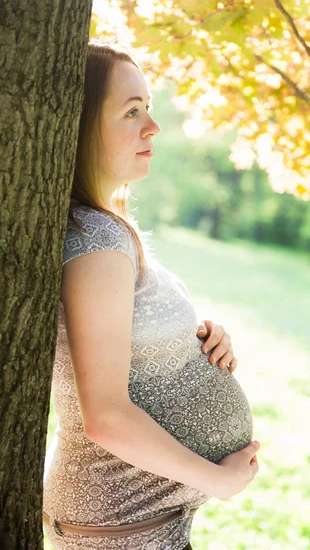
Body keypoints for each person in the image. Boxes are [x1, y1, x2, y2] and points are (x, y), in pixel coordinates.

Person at [42, 41, 260, 550]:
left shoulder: (103, 229)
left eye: (150, 109)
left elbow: (122, 336)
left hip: (142, 522)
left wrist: (195, 339)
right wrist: (218, 480)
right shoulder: (96, 241)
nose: (152, 128)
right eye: (131, 111)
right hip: (122, 526)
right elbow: (105, 417)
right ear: (81, 123)